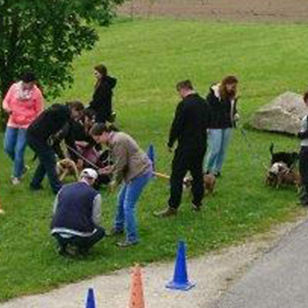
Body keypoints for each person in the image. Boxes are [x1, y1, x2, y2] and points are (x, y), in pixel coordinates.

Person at [91, 124, 154, 248]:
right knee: (121, 200)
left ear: (104, 133)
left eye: (98, 139)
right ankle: (118, 227)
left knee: (128, 206)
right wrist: (110, 169)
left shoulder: (117, 141)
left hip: (140, 173)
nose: (99, 142)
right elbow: (121, 162)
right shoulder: (114, 139)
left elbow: (121, 165)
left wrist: (115, 181)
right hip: (133, 171)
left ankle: (132, 238)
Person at [155, 80, 211, 218]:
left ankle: (173, 206)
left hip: (186, 146)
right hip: (201, 144)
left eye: (179, 92)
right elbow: (209, 121)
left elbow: (177, 125)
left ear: (182, 89)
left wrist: (170, 142)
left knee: (176, 176)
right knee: (197, 174)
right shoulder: (204, 103)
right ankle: (197, 203)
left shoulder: (184, 104)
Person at [27, 102, 85, 194]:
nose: (78, 117)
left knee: (45, 160)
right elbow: (53, 109)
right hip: (34, 136)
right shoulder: (62, 111)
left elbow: (70, 141)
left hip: (42, 138)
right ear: (73, 109)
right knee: (50, 159)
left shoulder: (68, 120)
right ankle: (57, 188)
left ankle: (35, 184)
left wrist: (77, 158)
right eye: (78, 114)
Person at [2, 72, 45, 186]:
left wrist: (35, 125)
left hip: (27, 125)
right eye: (29, 84)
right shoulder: (14, 88)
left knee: (19, 150)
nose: (31, 86)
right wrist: (7, 109)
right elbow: (6, 101)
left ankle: (16, 175)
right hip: (13, 121)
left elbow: (39, 111)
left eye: (33, 83)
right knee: (8, 147)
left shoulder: (36, 93)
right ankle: (22, 167)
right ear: (23, 82)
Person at [51, 169, 106, 256]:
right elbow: (96, 219)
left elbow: (54, 211)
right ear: (93, 180)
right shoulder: (95, 194)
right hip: (78, 233)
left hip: (56, 230)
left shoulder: (63, 188)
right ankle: (79, 248)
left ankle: (63, 244)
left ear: (80, 177)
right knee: (101, 231)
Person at [205, 76, 239, 178]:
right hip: (214, 125)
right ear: (226, 84)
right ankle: (207, 169)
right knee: (215, 149)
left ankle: (217, 170)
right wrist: (206, 126)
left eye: (234, 86)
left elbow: (232, 108)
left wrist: (235, 114)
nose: (233, 88)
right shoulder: (213, 95)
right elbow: (207, 110)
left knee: (222, 150)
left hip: (227, 124)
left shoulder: (231, 95)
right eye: (232, 86)